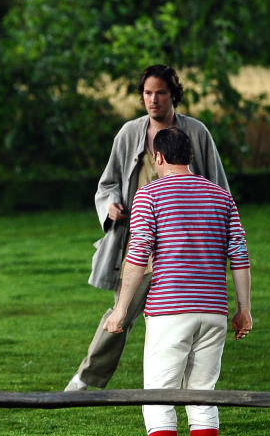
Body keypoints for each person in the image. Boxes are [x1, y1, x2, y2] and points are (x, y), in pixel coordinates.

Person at [104, 127, 252, 436]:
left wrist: (120, 310)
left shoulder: (149, 194)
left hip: (170, 310)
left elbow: (138, 254)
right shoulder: (221, 197)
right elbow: (239, 255)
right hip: (214, 310)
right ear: (190, 156)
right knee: (204, 397)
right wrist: (243, 310)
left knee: (159, 396)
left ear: (157, 158)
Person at [65, 64, 229, 392]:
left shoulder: (197, 133)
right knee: (121, 314)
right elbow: (108, 182)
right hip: (140, 242)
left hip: (184, 247)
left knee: (183, 317)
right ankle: (85, 378)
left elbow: (219, 188)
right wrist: (110, 206)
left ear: (174, 95)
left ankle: (185, 384)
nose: (153, 100)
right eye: (147, 93)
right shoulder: (129, 133)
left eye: (161, 92)